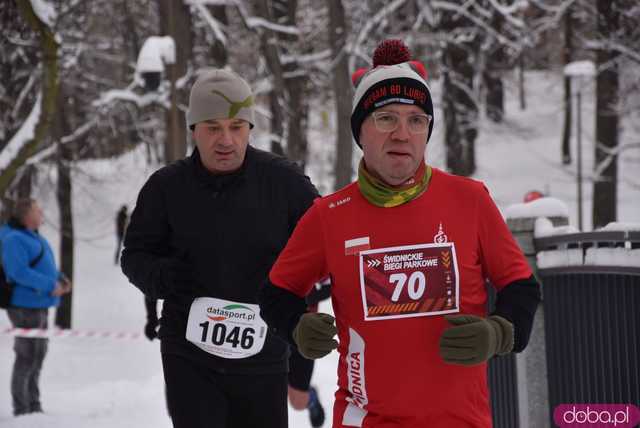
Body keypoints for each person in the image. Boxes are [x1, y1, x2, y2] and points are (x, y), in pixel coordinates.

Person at [259, 39, 541, 428]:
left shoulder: (469, 200)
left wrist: (499, 333)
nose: (402, 133)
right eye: (386, 118)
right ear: (361, 130)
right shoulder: (330, 215)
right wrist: (296, 326)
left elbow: (522, 288)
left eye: (415, 120)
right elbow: (275, 293)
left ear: (427, 130)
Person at [120, 68, 319, 428]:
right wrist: (164, 277)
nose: (225, 139)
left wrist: (304, 292)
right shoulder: (166, 188)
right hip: (189, 354)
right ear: (194, 129)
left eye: (236, 126)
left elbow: (326, 246)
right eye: (213, 127)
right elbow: (134, 255)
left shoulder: (285, 183)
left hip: (263, 353)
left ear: (250, 129)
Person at [143, 279, 329, 427]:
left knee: (298, 400)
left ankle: (310, 397)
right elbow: (153, 265)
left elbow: (332, 284)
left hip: (297, 328)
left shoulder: (304, 240)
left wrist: (296, 300)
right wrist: (151, 317)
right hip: (246, 331)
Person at [1, 198, 71, 416]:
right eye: (38, 210)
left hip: (40, 304)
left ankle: (34, 405)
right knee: (27, 356)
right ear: (26, 215)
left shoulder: (34, 238)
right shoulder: (14, 239)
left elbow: (45, 267)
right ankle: (22, 409)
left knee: (38, 354)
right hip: (24, 306)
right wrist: (51, 285)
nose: (42, 214)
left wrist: (61, 279)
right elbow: (17, 272)